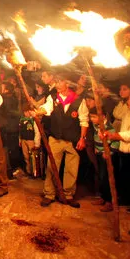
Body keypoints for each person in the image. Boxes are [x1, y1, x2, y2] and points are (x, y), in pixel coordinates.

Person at [33, 73, 88, 208]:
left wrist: (82, 138)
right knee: (52, 167)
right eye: (56, 82)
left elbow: (84, 121)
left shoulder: (79, 101)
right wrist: (39, 111)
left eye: (59, 81)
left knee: (71, 168)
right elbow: (47, 108)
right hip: (55, 138)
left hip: (73, 140)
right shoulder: (53, 98)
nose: (57, 84)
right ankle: (49, 194)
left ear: (67, 84)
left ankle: (68, 195)